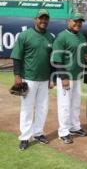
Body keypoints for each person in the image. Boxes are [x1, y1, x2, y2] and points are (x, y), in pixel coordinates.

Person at [10, 9, 55, 150]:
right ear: (35, 19)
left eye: (46, 18)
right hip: (29, 78)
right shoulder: (25, 35)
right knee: (27, 108)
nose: (44, 21)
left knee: (43, 107)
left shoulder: (50, 37)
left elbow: (52, 60)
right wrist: (17, 76)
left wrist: (51, 78)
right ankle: (24, 137)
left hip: (44, 79)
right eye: (41, 18)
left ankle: (38, 133)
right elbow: (17, 57)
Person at [51, 13, 87, 144]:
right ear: (69, 21)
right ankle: (63, 132)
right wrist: (63, 77)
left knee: (75, 104)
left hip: (78, 76)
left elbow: (86, 54)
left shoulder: (81, 37)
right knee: (64, 105)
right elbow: (57, 60)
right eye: (75, 21)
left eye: (80, 22)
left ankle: (75, 127)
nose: (78, 24)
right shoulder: (62, 37)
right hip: (66, 77)